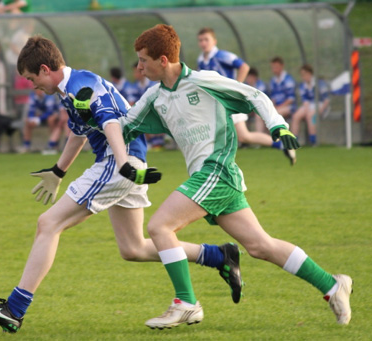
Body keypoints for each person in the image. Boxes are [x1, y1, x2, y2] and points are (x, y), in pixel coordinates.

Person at [0, 35, 242, 333]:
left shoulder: (81, 86)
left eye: (33, 79)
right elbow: (79, 133)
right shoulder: (68, 90)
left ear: (46, 69)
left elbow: (111, 122)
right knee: (133, 248)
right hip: (125, 160)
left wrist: (122, 163)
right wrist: (58, 171)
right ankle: (219, 256)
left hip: (118, 161)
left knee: (48, 223)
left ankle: (15, 309)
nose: (34, 86)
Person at [120, 24, 352, 329]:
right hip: (215, 180)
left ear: (163, 60)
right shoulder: (154, 97)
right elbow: (123, 126)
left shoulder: (204, 81)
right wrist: (87, 113)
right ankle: (333, 285)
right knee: (261, 247)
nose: (138, 67)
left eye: (143, 60)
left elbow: (254, 95)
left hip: (215, 170)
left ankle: (186, 302)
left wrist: (276, 125)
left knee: (159, 226)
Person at [197, 27, 295, 165]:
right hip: (216, 103)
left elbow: (244, 67)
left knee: (243, 136)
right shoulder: (201, 60)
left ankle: (281, 145)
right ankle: (281, 146)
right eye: (200, 40)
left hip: (229, 103)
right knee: (237, 136)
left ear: (214, 41)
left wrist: (235, 88)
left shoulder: (222, 55)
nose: (203, 43)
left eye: (206, 39)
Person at [290, 64, 330, 146]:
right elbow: (305, 101)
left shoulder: (319, 83)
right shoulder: (303, 85)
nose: (303, 77)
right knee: (296, 116)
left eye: (304, 74)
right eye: (301, 75)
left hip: (321, 105)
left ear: (310, 73)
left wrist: (320, 111)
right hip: (309, 105)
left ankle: (313, 141)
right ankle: (293, 141)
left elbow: (326, 100)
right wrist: (306, 110)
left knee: (311, 116)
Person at [20, 89, 65, 154]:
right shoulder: (33, 96)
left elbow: (50, 111)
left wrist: (38, 119)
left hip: (53, 115)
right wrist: (32, 119)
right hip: (41, 116)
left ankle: (54, 145)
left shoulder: (49, 96)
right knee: (28, 122)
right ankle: (26, 146)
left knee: (51, 120)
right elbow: (31, 110)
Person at [245, 67, 269, 133]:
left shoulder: (261, 85)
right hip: (250, 108)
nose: (248, 79)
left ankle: (260, 137)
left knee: (258, 116)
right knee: (241, 114)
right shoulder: (245, 85)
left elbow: (258, 99)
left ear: (254, 77)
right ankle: (244, 140)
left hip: (261, 107)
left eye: (249, 77)